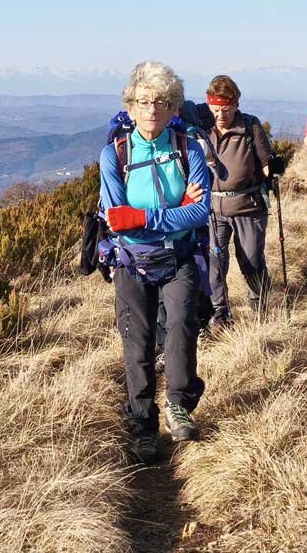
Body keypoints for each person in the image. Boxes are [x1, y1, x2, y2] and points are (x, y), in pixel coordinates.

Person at [99, 60, 211, 463]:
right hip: (131, 260)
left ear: (174, 108)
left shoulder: (188, 149)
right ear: (130, 108)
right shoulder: (114, 155)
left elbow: (201, 213)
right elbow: (116, 220)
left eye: (161, 102)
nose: (151, 110)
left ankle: (179, 404)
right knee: (138, 342)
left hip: (178, 256)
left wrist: (144, 217)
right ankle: (142, 424)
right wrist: (176, 210)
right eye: (143, 102)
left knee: (182, 325)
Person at [200, 75, 275, 323]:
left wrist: (273, 169)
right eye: (216, 109)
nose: (221, 115)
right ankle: (220, 311)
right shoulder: (201, 129)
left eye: (226, 108)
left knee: (252, 259)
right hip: (213, 208)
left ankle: (259, 306)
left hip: (248, 207)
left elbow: (266, 161)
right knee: (215, 261)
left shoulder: (250, 127)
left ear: (236, 104)